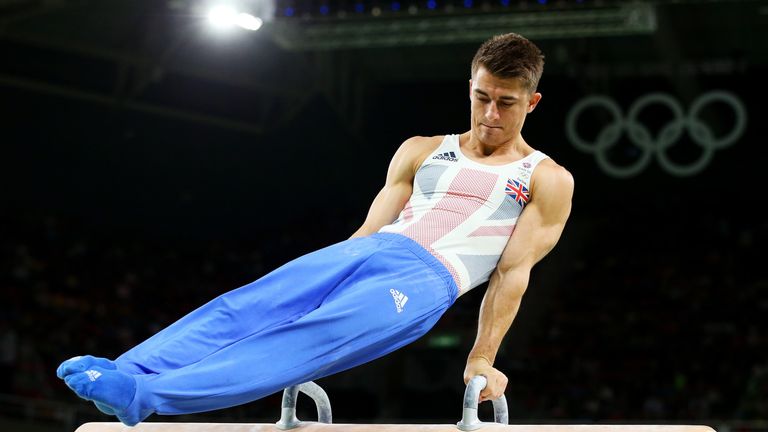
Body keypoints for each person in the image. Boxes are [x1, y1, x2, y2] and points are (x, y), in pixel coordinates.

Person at [56, 32, 574, 426]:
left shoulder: (545, 178)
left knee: (301, 341)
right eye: (482, 96)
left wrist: (482, 356)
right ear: (470, 87)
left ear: (531, 103)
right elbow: (369, 231)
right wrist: (331, 271)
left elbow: (512, 273)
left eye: (506, 103)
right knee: (249, 304)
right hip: (371, 251)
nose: (489, 114)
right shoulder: (421, 149)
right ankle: (126, 370)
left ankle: (144, 399)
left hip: (426, 282)